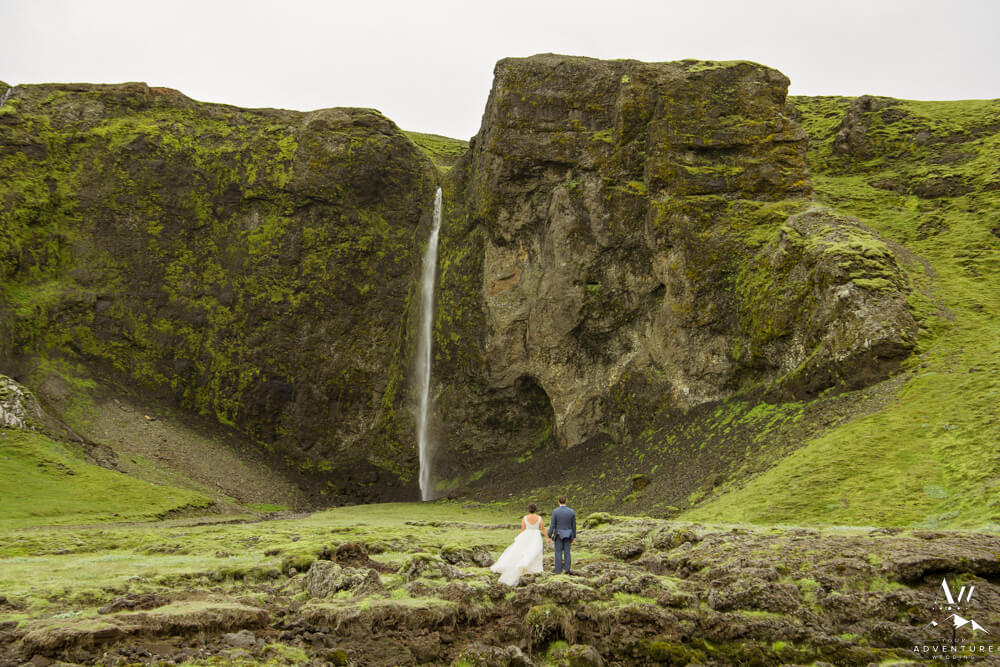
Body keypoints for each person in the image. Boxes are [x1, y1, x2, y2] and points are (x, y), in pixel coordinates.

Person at [491, 503, 551, 586]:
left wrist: (521, 539)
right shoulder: (539, 518)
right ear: (535, 509)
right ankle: (534, 568)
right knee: (535, 552)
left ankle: (524, 567)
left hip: (527, 535)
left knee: (525, 551)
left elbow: (523, 529)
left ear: (528, 509)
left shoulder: (525, 518)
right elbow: (543, 529)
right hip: (536, 536)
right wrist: (547, 538)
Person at [548, 495, 576, 575]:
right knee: (567, 553)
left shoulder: (555, 512)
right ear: (565, 501)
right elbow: (573, 525)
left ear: (558, 502)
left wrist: (549, 535)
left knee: (558, 553)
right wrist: (574, 536)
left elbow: (552, 525)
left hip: (558, 535)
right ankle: (567, 570)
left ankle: (558, 571)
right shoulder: (571, 511)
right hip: (569, 535)